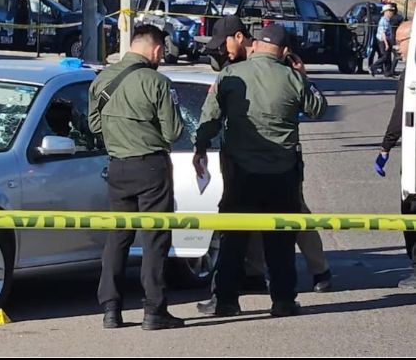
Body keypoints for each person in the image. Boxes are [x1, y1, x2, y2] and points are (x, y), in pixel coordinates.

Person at [193, 25, 328, 317]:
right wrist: (303, 75)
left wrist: (200, 148)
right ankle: (283, 300)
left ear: (255, 46)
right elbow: (318, 108)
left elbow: (210, 117)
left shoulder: (231, 74)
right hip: (283, 173)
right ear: (284, 51)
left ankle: (225, 300)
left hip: (241, 172)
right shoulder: (292, 78)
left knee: (233, 238)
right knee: (281, 240)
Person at [88, 24, 185, 330]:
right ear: (155, 49)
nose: (161, 58)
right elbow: (174, 131)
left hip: (117, 167)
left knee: (118, 236)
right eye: (162, 53)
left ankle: (111, 309)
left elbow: (94, 126)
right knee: (155, 238)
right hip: (151, 167)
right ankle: (154, 310)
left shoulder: (102, 79)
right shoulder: (158, 82)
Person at [373, 20, 416, 287]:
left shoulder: (411, 74)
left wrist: (385, 147)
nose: (397, 48)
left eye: (400, 42)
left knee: (411, 207)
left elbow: (402, 114)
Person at [371, 4, 397, 78]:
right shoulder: (383, 20)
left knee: (388, 57)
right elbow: (383, 33)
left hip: (387, 40)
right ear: (386, 12)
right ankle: (374, 66)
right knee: (385, 56)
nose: (392, 12)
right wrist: (386, 44)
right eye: (390, 11)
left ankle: (388, 72)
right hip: (382, 40)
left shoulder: (388, 20)